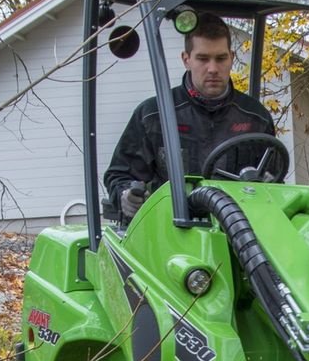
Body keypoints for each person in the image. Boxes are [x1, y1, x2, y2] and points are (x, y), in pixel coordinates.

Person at [104, 12, 277, 219]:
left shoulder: (255, 118)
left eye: (220, 58)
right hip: (172, 230)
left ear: (231, 58)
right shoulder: (154, 115)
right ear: (186, 59)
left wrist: (270, 188)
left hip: (238, 231)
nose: (213, 68)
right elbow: (119, 174)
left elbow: (275, 181)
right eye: (203, 59)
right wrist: (126, 195)